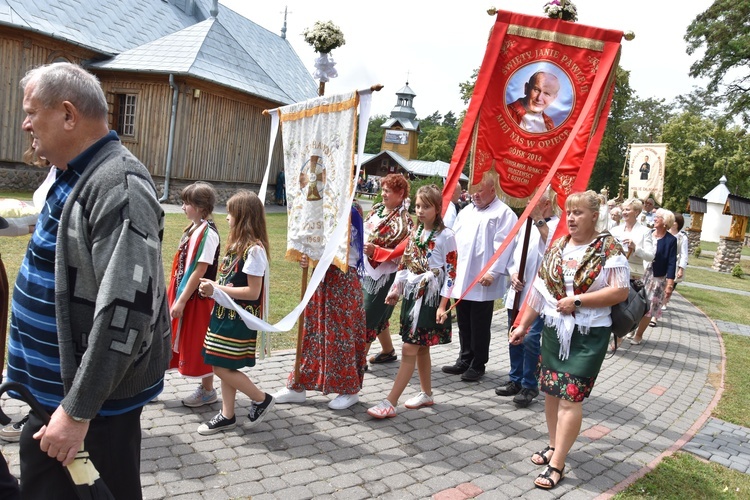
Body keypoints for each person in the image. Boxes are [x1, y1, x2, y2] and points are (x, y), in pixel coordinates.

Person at [8, 62, 171, 499]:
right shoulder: (73, 171)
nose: (25, 124)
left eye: (31, 112)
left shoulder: (119, 184)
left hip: (91, 413)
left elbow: (130, 312)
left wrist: (78, 412)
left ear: (67, 114)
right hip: (56, 401)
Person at [509, 190, 630, 490]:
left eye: (578, 213)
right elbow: (539, 291)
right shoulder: (559, 245)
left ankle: (557, 463)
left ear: (594, 215)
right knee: (551, 392)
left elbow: (620, 290)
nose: (572, 218)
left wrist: (578, 302)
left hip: (589, 334)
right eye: (569, 212)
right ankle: (553, 445)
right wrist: (523, 325)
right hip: (553, 330)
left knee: (570, 396)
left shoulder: (607, 247)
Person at [367, 185, 457, 418]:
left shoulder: (446, 236)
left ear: (437, 209)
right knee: (420, 348)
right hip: (412, 297)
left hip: (429, 299)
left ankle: (390, 401)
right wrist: (396, 290)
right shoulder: (415, 233)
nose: (420, 211)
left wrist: (443, 305)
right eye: (417, 206)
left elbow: (451, 273)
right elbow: (406, 266)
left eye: (426, 206)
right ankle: (426, 393)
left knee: (409, 347)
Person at [273, 203, 367, 410]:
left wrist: (314, 255)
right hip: (320, 280)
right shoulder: (318, 208)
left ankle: (349, 389)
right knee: (312, 332)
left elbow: (343, 248)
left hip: (342, 281)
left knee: (341, 336)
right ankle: (298, 383)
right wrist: (306, 257)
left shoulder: (351, 210)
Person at [197, 190, 276, 434]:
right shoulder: (235, 246)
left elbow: (253, 292)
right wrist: (212, 290)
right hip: (223, 315)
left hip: (238, 319)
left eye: (231, 213)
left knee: (219, 366)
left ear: (242, 216)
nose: (227, 217)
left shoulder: (254, 250)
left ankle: (261, 398)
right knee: (222, 364)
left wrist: (215, 288)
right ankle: (227, 414)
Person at [442, 170, 517, 381]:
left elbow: (504, 245)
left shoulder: (504, 213)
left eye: (480, 190)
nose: (474, 194)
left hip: (483, 279)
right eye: (472, 190)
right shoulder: (467, 211)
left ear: (493, 190)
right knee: (464, 320)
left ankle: (478, 363)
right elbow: (454, 240)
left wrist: (493, 272)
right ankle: (464, 358)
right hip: (462, 276)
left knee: (479, 323)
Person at [496, 190, 559, 407]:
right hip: (519, 290)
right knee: (514, 334)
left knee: (531, 339)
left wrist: (539, 220)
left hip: (539, 295)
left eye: (534, 201)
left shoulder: (556, 225)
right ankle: (515, 378)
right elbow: (515, 254)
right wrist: (513, 273)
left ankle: (529, 384)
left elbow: (553, 246)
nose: (529, 204)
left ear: (547, 203)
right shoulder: (525, 224)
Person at [168, 182, 221, 408]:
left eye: (186, 203)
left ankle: (208, 390)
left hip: (196, 297)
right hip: (182, 290)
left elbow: (200, 269)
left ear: (200, 207)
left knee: (199, 342)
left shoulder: (208, 234)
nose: (182, 207)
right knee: (170, 338)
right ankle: (151, 383)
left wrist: (181, 299)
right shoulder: (194, 228)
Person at [362, 174, 414, 366]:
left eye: (388, 191)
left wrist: (378, 251)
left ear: (400, 194)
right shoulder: (376, 209)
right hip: (364, 270)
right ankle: (388, 351)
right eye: (383, 190)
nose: (383, 194)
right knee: (378, 313)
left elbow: (407, 254)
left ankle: (358, 360)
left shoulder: (405, 222)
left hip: (385, 275)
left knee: (368, 315)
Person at [627, 209, 677, 345]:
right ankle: (631, 327)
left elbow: (672, 263)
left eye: (658, 217)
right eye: (655, 216)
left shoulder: (670, 240)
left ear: (665, 222)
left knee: (649, 307)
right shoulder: (647, 233)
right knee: (635, 303)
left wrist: (670, 284)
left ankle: (639, 335)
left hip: (657, 278)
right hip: (640, 273)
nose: (654, 219)